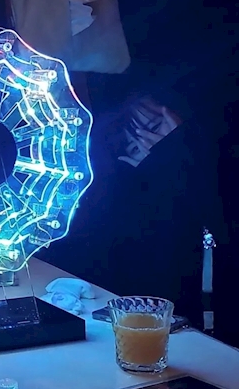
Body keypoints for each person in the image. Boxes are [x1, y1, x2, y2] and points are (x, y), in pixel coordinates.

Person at [41, 89, 222, 324]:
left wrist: (177, 152)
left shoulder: (197, 172)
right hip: (116, 312)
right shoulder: (102, 184)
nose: (147, 145)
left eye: (154, 128)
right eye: (136, 143)